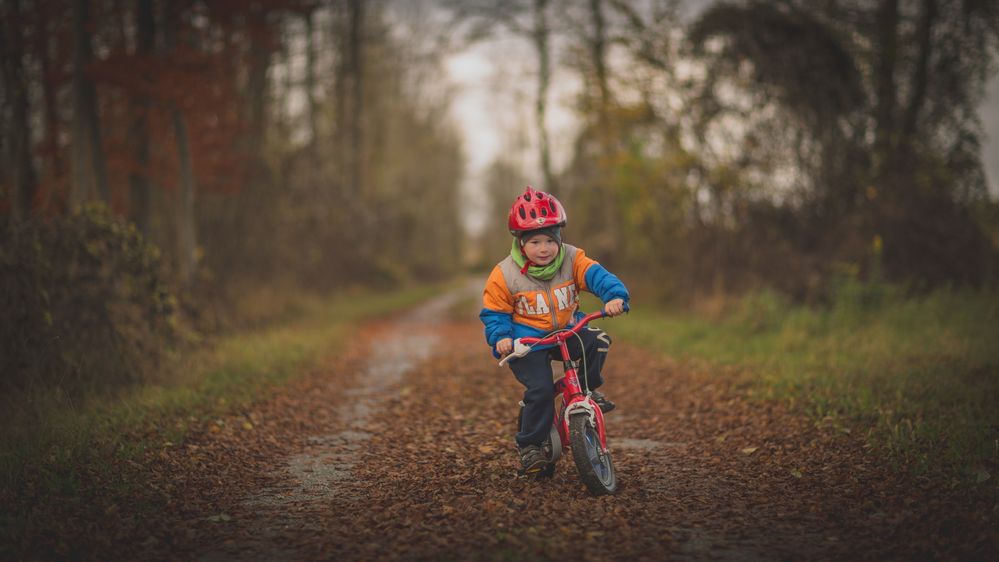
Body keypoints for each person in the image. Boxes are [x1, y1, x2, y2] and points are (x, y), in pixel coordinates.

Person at [480, 186, 630, 474]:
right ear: (521, 244)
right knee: (540, 389)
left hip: (567, 329)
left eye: (550, 240)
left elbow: (596, 276)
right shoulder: (505, 273)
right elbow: (495, 312)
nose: (544, 249)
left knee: (597, 341)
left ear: (559, 239)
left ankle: (587, 389)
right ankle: (531, 446)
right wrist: (501, 338)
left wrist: (614, 296)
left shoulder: (573, 259)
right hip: (527, 341)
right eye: (534, 242)